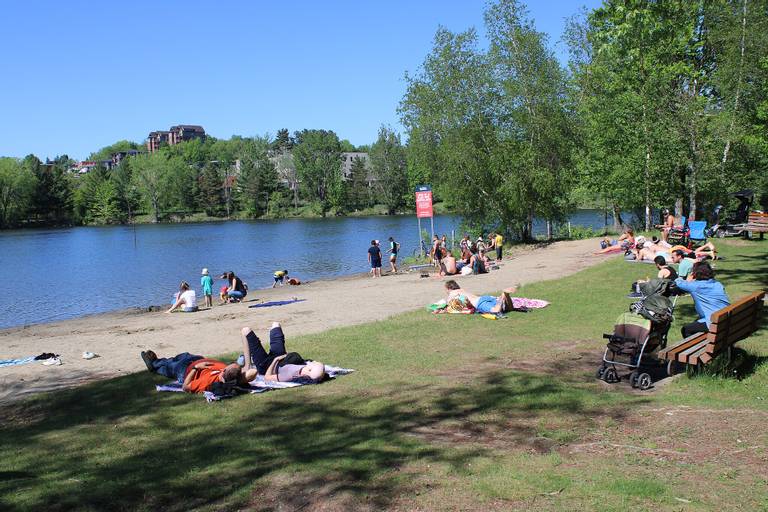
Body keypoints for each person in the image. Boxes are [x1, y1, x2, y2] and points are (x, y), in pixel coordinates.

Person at [240, 323, 326, 383]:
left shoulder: (291, 375)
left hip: (265, 365)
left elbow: (267, 377)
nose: (313, 363)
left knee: (245, 330)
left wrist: (275, 360)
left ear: (309, 370)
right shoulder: (304, 367)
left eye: (314, 364)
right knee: (276, 325)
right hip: (280, 356)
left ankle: (247, 366)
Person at [140, 350, 245, 393]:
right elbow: (250, 374)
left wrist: (196, 368)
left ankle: (154, 364)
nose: (225, 366)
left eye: (229, 365)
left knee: (170, 366)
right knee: (181, 356)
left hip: (185, 370)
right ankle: (158, 361)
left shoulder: (210, 381)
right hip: (195, 359)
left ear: (225, 372)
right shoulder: (227, 371)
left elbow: (186, 387)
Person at [674, 261, 730, 338]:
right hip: (727, 318)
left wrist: (686, 279)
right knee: (697, 322)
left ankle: (695, 350)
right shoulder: (717, 284)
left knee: (686, 329)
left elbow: (678, 283)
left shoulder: (695, 286)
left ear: (695, 273)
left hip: (714, 321)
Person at [444, 280, 517, 315]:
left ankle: (503, 294)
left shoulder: (452, 293)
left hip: (479, 303)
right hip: (485, 298)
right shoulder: (461, 290)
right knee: (509, 309)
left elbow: (449, 302)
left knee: (496, 311)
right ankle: (506, 295)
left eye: (446, 289)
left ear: (449, 288)